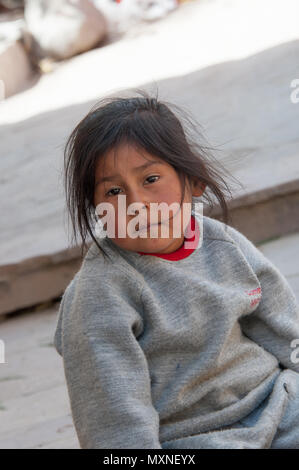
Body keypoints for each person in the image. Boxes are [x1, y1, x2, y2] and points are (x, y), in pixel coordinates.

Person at [53, 88, 299, 449]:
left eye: (151, 179)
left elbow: (284, 329)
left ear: (193, 180)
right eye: (114, 192)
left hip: (277, 404)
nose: (137, 204)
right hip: (195, 436)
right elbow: (111, 419)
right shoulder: (99, 294)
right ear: (96, 208)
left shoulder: (222, 243)